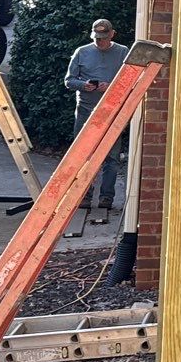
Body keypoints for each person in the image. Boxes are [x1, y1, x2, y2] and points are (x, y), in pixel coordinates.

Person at [66, 19, 130, 215]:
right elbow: (69, 81)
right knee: (84, 154)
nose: (99, 42)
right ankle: (84, 195)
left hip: (111, 110)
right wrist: (84, 85)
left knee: (111, 156)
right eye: (96, 38)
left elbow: (129, 80)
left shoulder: (122, 52)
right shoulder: (82, 52)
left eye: (103, 38)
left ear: (112, 35)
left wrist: (110, 86)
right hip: (85, 110)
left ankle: (106, 196)